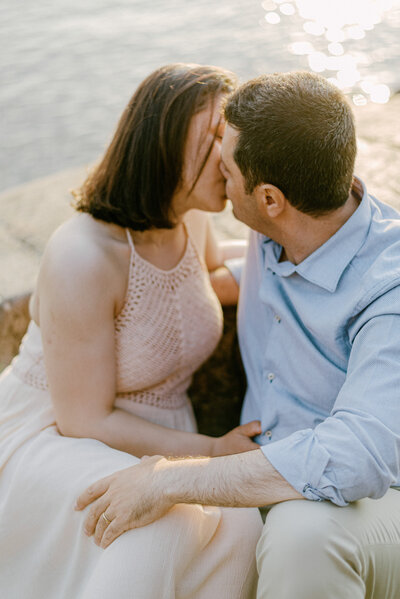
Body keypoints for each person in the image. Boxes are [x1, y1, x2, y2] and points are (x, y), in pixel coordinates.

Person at [77, 71, 400, 599]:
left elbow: (359, 457)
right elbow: (276, 274)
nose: (218, 181)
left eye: (226, 170)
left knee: (304, 534)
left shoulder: (391, 291)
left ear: (270, 199)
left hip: (381, 504)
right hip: (262, 484)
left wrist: (171, 478)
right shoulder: (284, 226)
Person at [0, 63, 264, 599]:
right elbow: (84, 417)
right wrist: (212, 453)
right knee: (165, 524)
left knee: (241, 524)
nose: (231, 151)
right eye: (217, 135)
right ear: (162, 142)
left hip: (158, 435)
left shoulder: (189, 218)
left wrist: (307, 250)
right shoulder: (83, 256)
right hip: (53, 434)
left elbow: (210, 279)